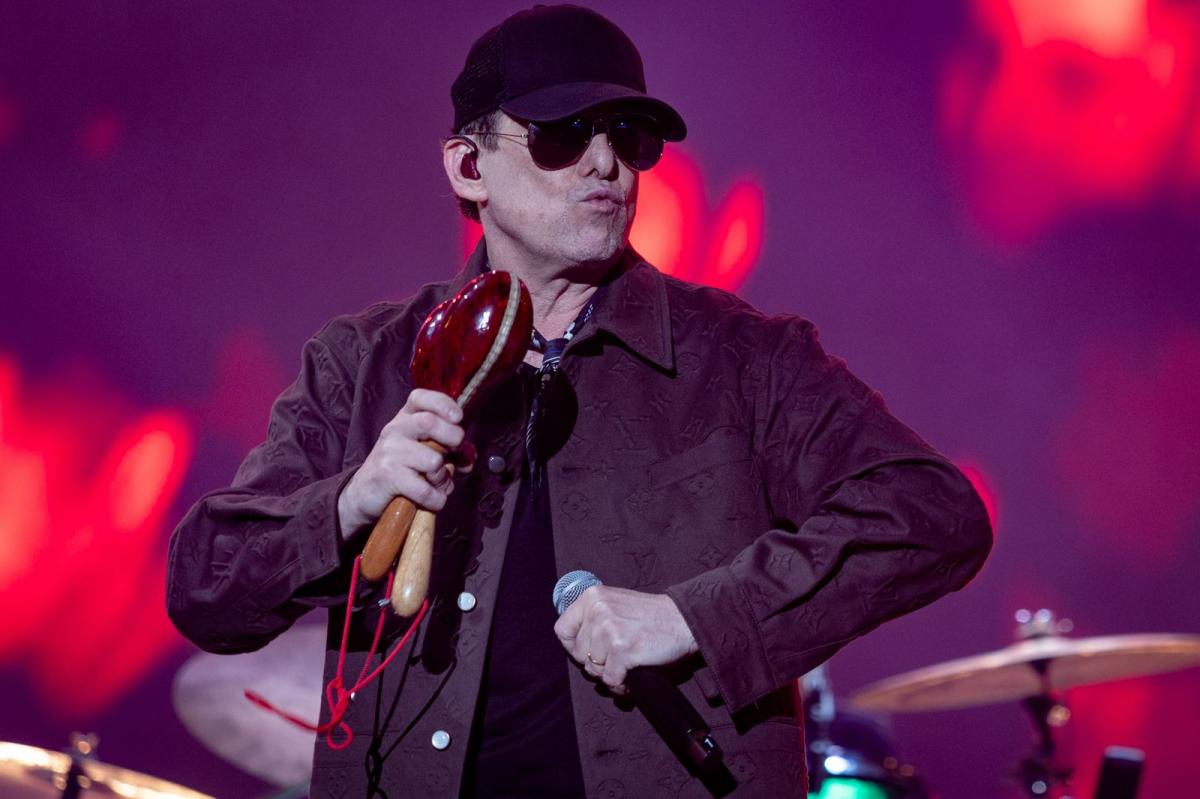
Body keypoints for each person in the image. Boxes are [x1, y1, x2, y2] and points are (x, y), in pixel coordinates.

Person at [166, 5, 992, 797]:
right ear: (468, 166)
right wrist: (349, 502)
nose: (606, 164)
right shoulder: (364, 362)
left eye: (628, 136)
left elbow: (930, 512)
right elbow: (206, 587)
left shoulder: (744, 357)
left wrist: (696, 619)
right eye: (563, 134)